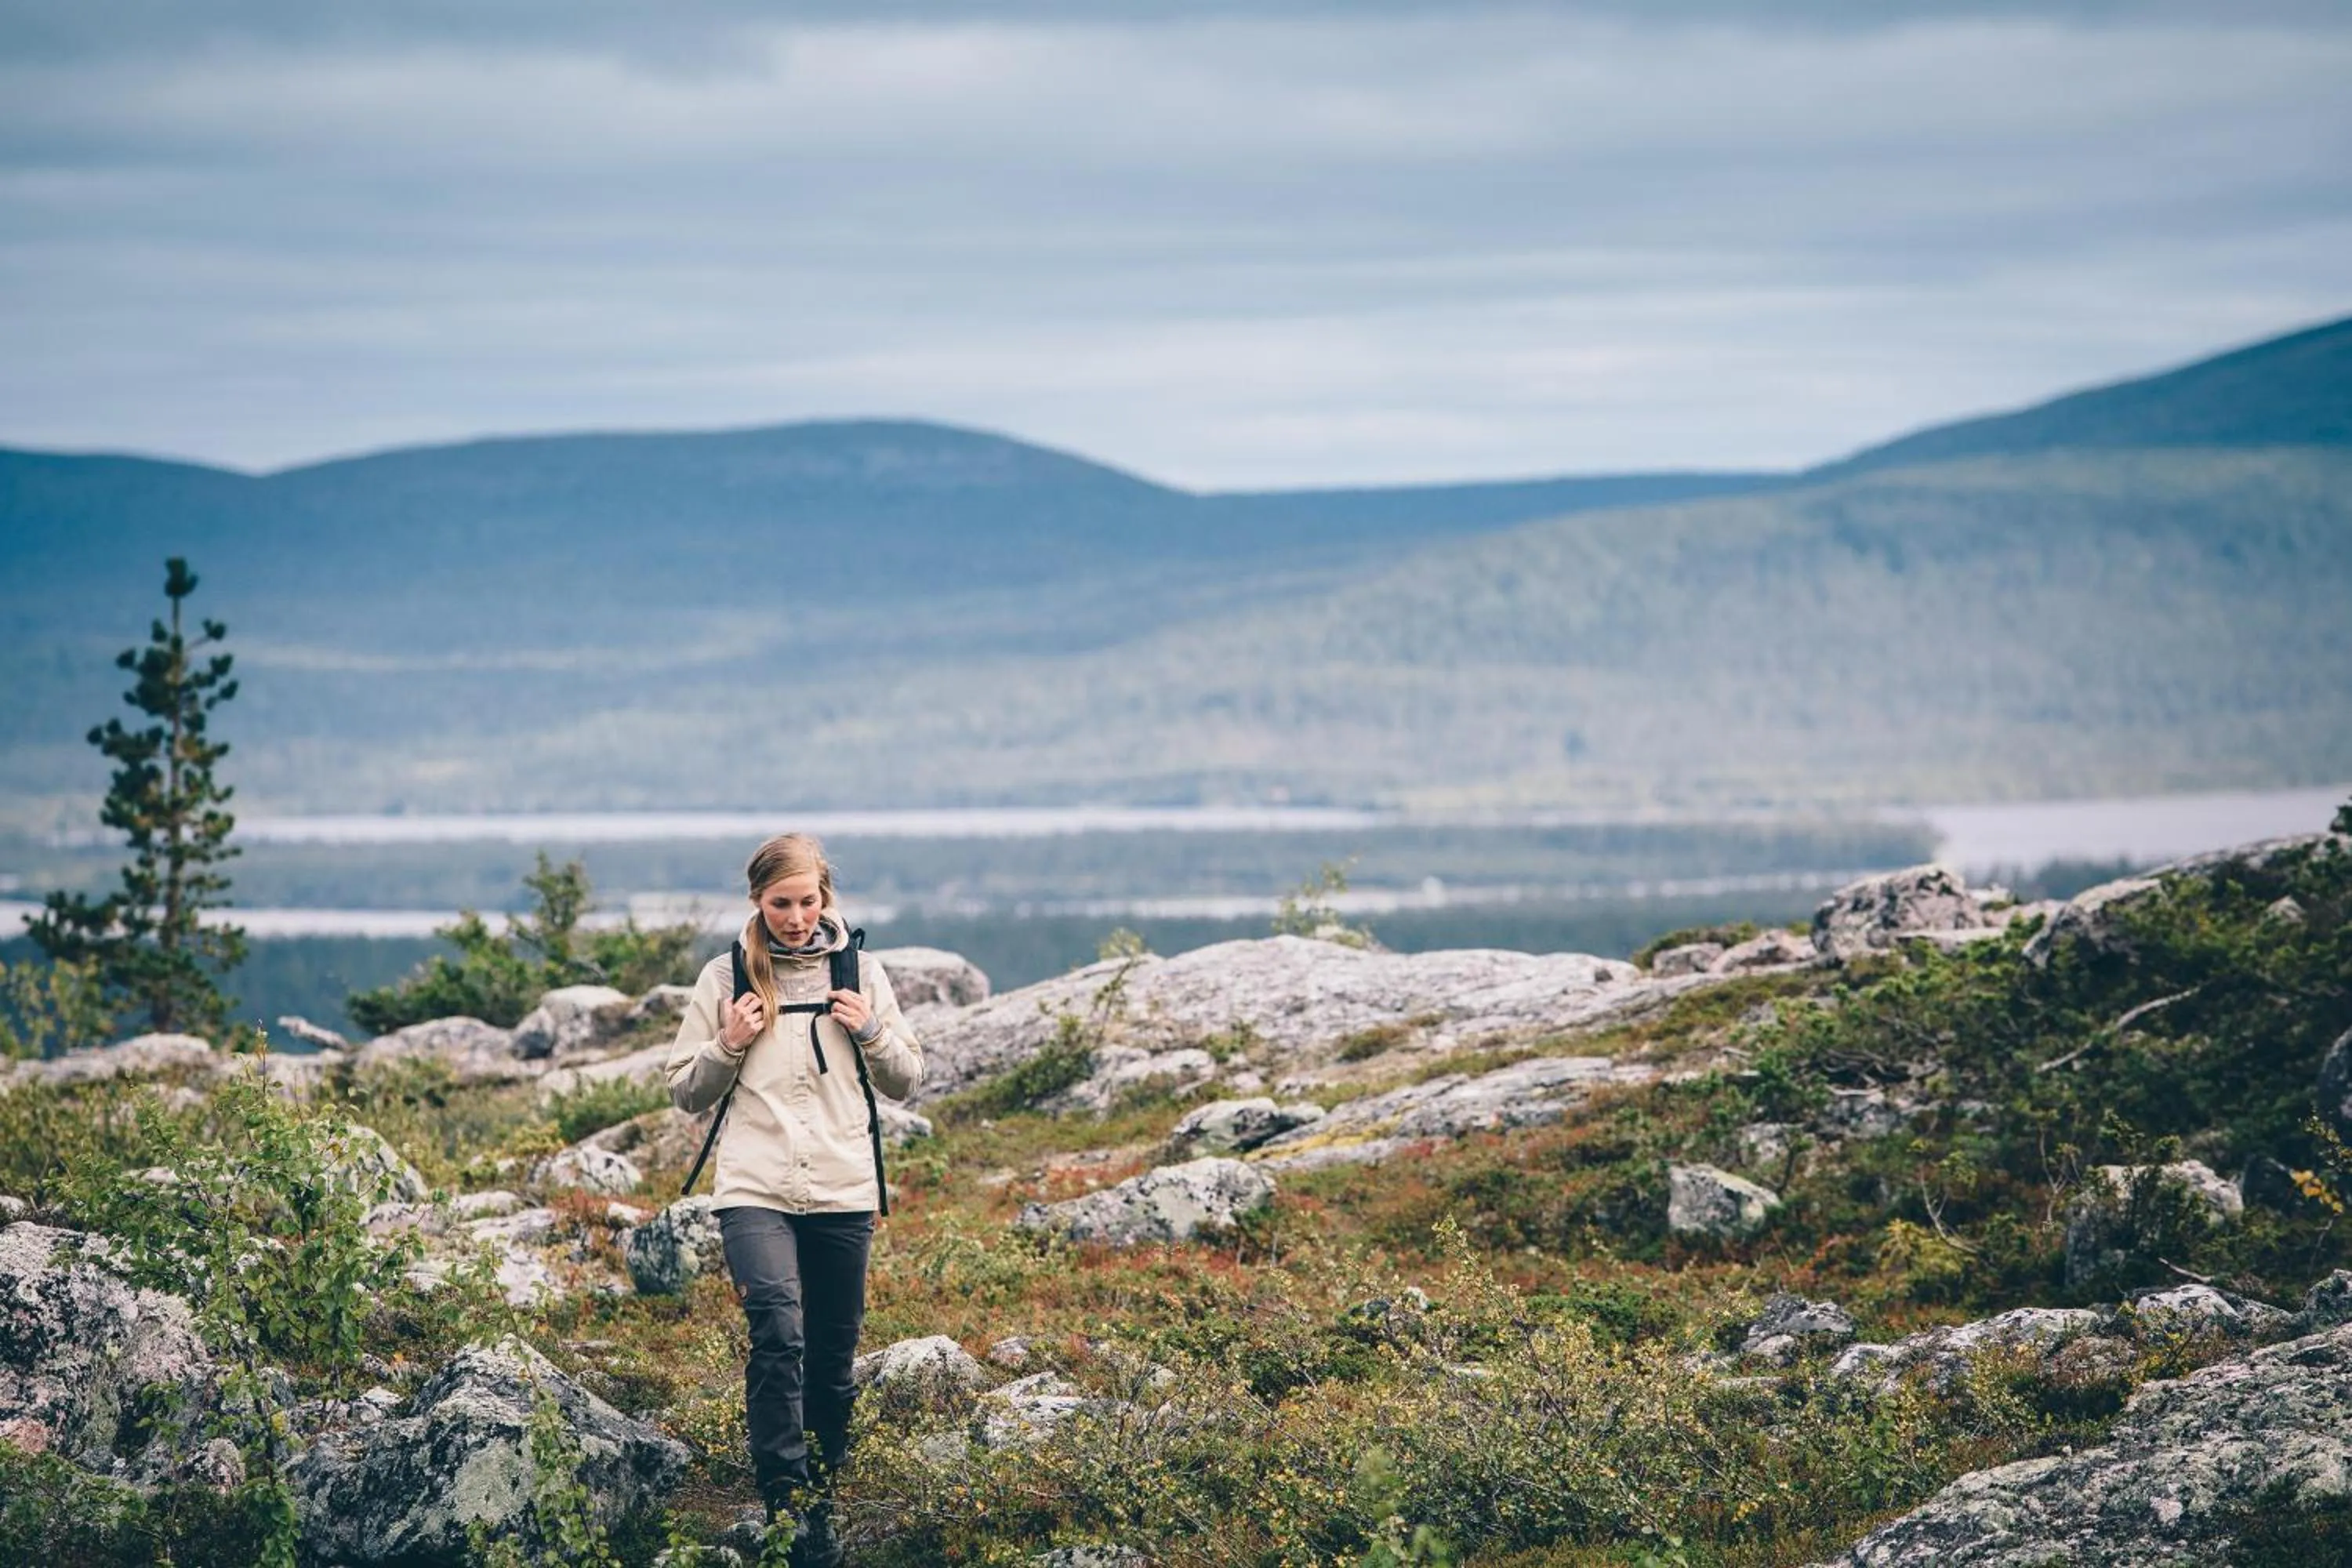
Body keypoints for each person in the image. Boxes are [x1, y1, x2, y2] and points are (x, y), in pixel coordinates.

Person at [666, 833, 924, 1566]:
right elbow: (684, 1090)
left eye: (809, 901)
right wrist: (727, 1042)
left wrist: (869, 1029)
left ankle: (821, 1509)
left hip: (843, 1187)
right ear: (758, 901)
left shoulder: (862, 971)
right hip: (756, 1188)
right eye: (781, 903)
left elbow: (910, 1077)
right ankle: (785, 1503)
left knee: (833, 1358)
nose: (797, 916)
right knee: (778, 1333)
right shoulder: (726, 978)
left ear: (825, 897)